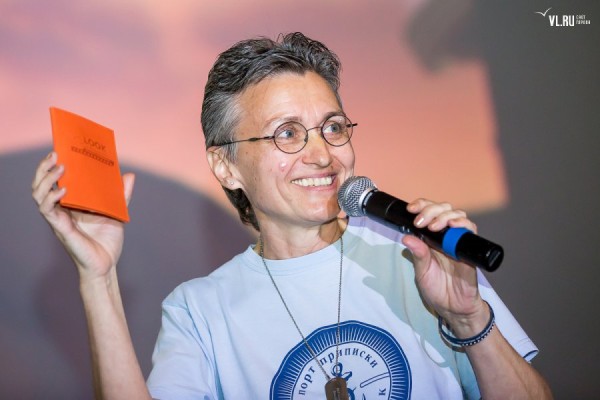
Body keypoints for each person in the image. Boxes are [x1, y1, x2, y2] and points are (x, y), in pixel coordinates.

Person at [32, 32, 552, 399]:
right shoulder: (200, 311)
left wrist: (468, 318)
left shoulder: (419, 254)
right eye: (287, 134)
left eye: (333, 127)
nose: (322, 155)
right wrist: (98, 279)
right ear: (226, 165)